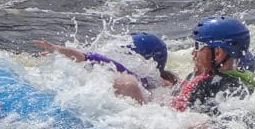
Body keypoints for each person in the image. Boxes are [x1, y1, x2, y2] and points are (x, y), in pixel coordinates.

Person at [35, 32, 178, 103]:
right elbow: (86, 57)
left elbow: (85, 57)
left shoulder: (149, 79)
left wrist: (58, 49)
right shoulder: (165, 83)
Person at [171, 16, 255, 115]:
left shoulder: (213, 86)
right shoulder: (251, 81)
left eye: (198, 46)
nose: (193, 53)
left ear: (218, 53)